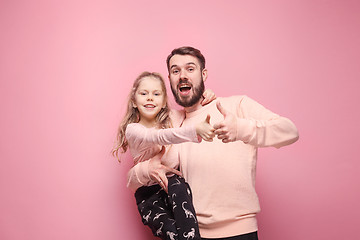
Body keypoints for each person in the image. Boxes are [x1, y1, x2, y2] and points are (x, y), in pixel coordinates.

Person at [127, 47, 299, 240]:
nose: (183, 75)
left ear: (203, 74)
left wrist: (240, 129)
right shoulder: (172, 122)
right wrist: (145, 169)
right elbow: (133, 182)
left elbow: (290, 131)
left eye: (190, 69)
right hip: (191, 233)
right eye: (176, 71)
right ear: (170, 80)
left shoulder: (236, 106)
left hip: (240, 232)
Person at [112, 71, 216, 240]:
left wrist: (204, 96)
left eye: (156, 94)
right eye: (144, 93)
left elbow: (193, 109)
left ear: (163, 102)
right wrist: (194, 131)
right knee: (173, 234)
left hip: (174, 186)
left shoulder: (173, 117)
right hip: (149, 195)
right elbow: (158, 136)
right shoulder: (133, 130)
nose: (150, 98)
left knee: (189, 230)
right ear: (134, 101)